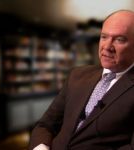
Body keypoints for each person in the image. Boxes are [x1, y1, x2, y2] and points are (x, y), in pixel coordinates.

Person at [29, 10, 134, 150]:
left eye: (119, 39)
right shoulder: (77, 75)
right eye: (104, 37)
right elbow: (45, 125)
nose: (107, 47)